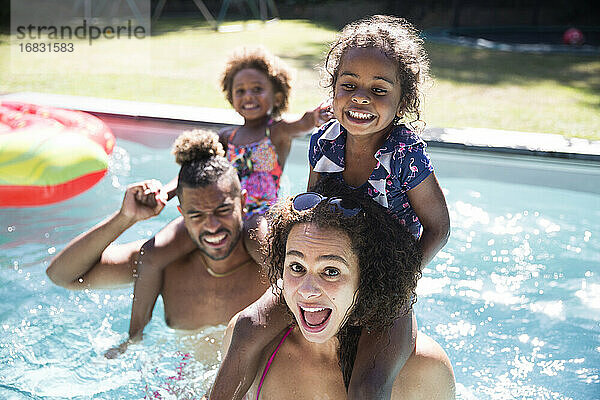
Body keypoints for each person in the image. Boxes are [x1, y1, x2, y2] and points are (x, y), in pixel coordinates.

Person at [211, 15, 450, 400]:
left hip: (388, 278)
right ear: (333, 90)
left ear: (403, 100)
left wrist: (402, 283)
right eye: (349, 85)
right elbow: (310, 215)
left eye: (379, 89)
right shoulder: (325, 141)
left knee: (367, 387)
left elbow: (439, 227)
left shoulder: (405, 154)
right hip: (330, 264)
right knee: (247, 327)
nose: (361, 98)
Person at [121, 47, 333, 353]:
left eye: (258, 89)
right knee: (151, 253)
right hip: (218, 212)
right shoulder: (225, 137)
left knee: (272, 258)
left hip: (259, 213)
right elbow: (191, 174)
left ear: (276, 95)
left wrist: (316, 117)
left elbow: (303, 123)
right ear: (230, 97)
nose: (249, 96)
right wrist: (166, 194)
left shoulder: (278, 132)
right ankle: (134, 335)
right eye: (241, 90)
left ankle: (302, 329)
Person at [219, 178, 455, 399]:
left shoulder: (425, 371)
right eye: (297, 267)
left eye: (331, 271)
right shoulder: (250, 345)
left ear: (367, 279)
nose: (307, 290)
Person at [46, 129, 269, 357]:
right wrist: (125, 218)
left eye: (223, 210)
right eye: (196, 215)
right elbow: (62, 276)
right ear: (182, 213)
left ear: (242, 202)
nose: (212, 226)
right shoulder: (166, 263)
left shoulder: (271, 265)